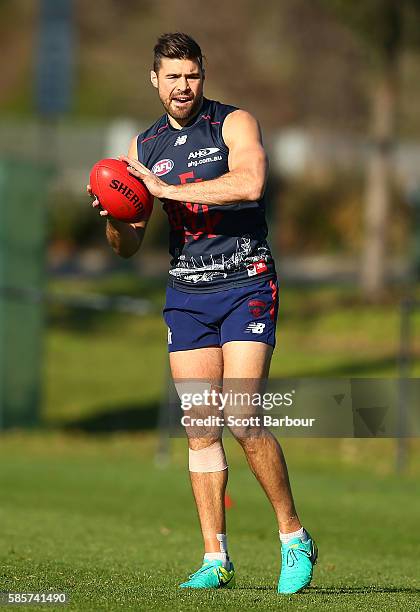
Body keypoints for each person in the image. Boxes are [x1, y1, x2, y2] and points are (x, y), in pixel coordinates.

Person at [87, 32, 317, 595]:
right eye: (172, 76)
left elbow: (252, 181)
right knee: (199, 428)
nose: (182, 86)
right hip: (188, 295)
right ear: (155, 81)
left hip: (246, 283)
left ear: (203, 75)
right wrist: (114, 215)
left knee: (241, 416)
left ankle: (294, 537)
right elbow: (129, 245)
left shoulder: (232, 123)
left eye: (191, 75)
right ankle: (216, 558)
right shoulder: (144, 148)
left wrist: (165, 187)